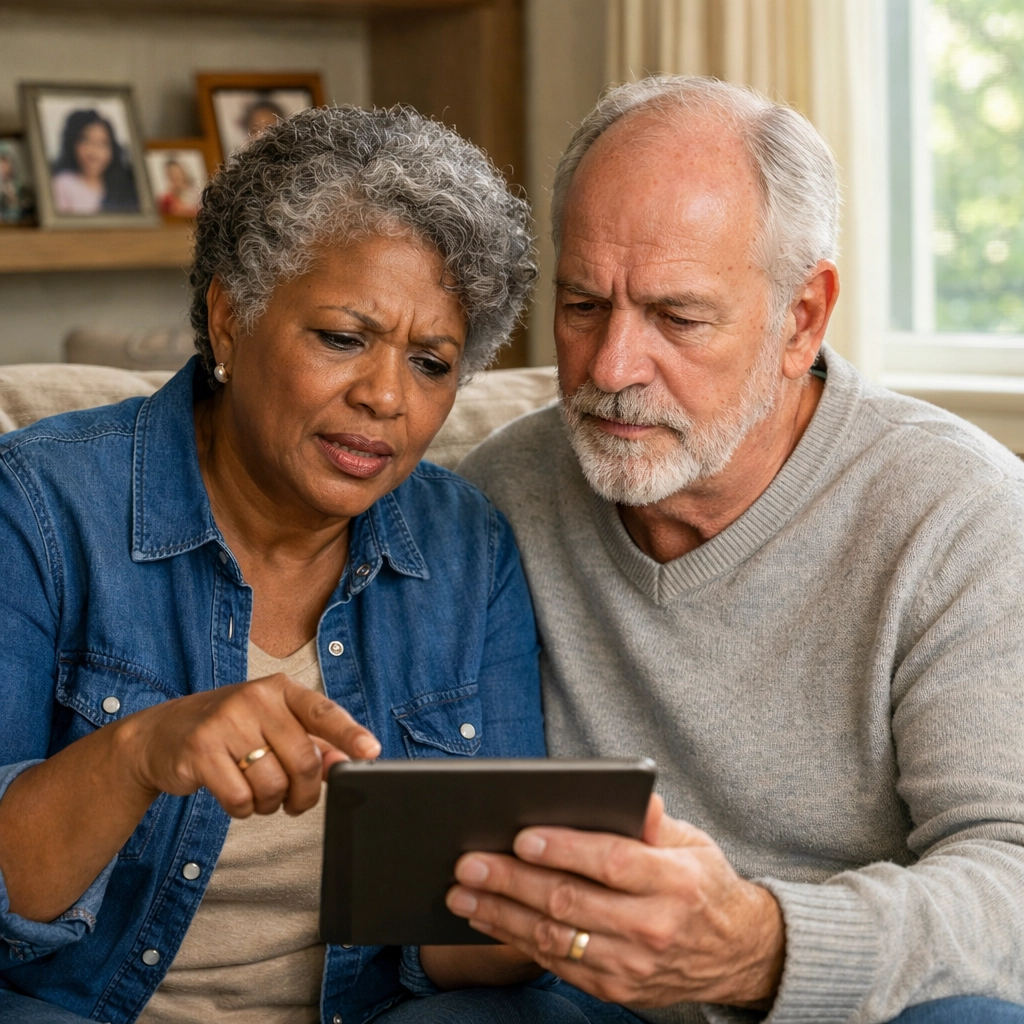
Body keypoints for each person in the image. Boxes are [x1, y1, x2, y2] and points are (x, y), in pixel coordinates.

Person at [0, 105, 612, 1024]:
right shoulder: (41, 508)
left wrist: (567, 915)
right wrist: (138, 753)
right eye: (343, 337)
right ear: (230, 319)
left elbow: (461, 952)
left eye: (433, 361)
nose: (386, 397)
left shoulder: (467, 549)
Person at [453, 76, 1024, 1024]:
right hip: (583, 993)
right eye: (584, 304)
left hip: (850, 1002)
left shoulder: (959, 514)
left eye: (678, 318)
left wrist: (760, 947)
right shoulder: (500, 492)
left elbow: (1012, 883)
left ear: (802, 318)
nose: (609, 369)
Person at [50, 109, 139, 215]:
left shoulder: (122, 186)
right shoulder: (62, 184)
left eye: (102, 144)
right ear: (72, 143)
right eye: (86, 141)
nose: (94, 152)